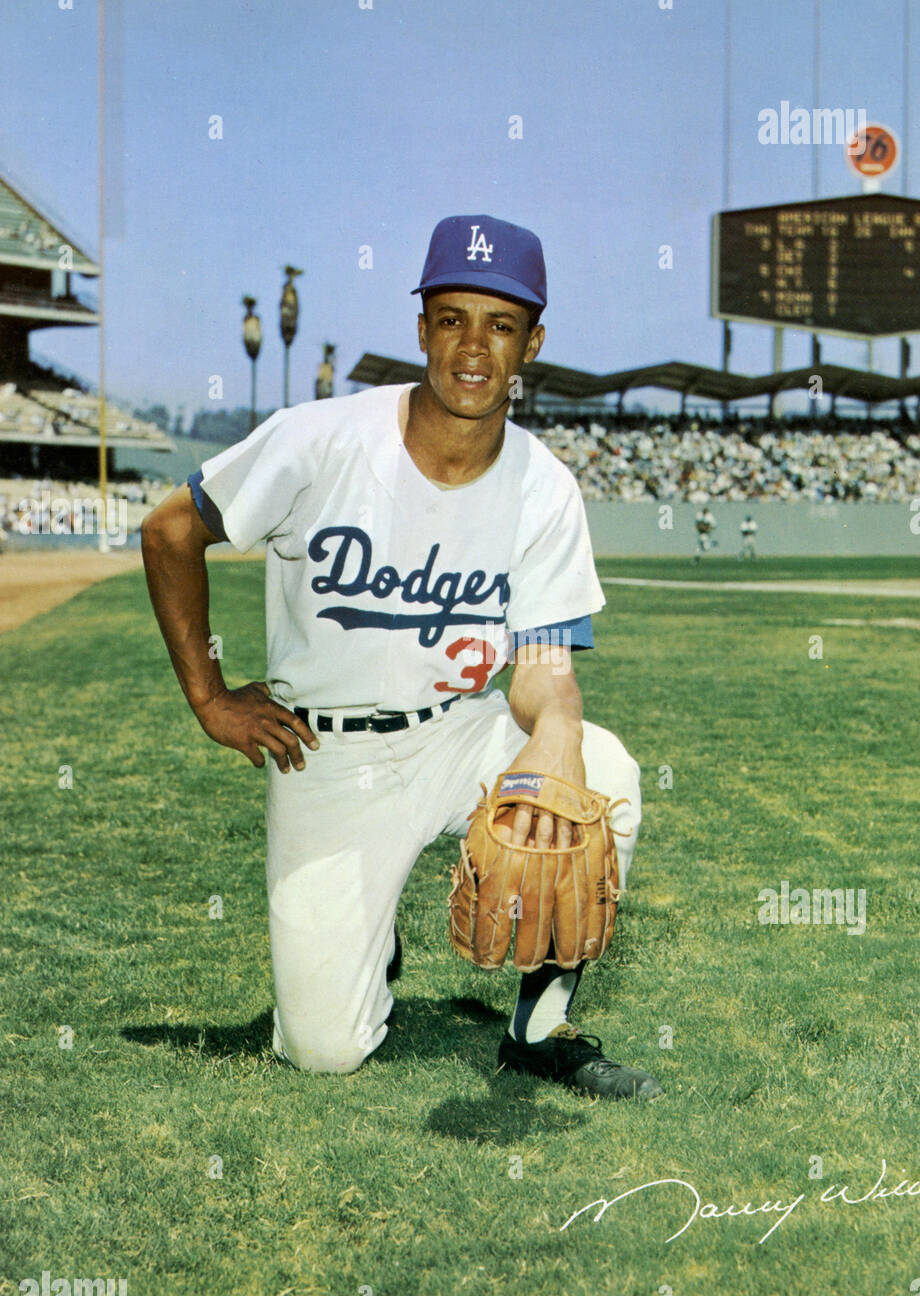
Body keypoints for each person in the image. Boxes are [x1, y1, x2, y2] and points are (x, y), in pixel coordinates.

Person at [141, 214, 661, 1101]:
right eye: (453, 318)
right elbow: (170, 529)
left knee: (599, 768)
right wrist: (210, 697)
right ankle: (367, 942)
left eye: (501, 325)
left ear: (532, 342)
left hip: (459, 733)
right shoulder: (321, 438)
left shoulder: (543, 484)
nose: (473, 346)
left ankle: (538, 1028)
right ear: (421, 329)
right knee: (324, 1049)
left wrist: (556, 738)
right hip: (327, 755)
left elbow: (543, 667)